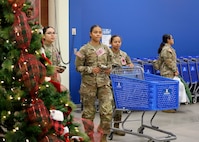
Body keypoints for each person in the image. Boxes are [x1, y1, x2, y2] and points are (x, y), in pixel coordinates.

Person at [75, 25, 113, 142]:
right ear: (90, 34)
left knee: (107, 111)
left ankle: (103, 136)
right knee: (88, 113)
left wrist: (109, 69)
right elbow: (78, 67)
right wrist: (91, 69)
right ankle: (89, 136)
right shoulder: (84, 49)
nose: (98, 34)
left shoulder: (106, 49)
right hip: (88, 85)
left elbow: (111, 63)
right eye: (95, 32)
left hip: (104, 84)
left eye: (100, 32)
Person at [153, 34, 190, 113]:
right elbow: (168, 62)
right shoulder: (167, 49)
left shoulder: (169, 49)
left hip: (169, 72)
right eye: (172, 38)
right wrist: (175, 70)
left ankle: (169, 106)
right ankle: (166, 107)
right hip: (167, 73)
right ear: (168, 40)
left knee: (170, 89)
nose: (173, 39)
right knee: (167, 90)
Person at [109, 35, 133, 136]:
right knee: (109, 106)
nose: (117, 44)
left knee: (119, 105)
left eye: (119, 42)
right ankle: (106, 127)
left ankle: (117, 127)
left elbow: (130, 64)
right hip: (108, 83)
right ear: (111, 43)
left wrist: (130, 65)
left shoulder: (123, 54)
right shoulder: (107, 53)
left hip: (120, 84)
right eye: (115, 42)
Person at [41, 26, 66, 92]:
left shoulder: (55, 49)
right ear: (43, 36)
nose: (52, 35)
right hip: (45, 79)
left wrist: (59, 68)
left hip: (55, 78)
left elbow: (57, 63)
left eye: (54, 33)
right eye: (49, 33)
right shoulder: (41, 49)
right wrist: (52, 68)